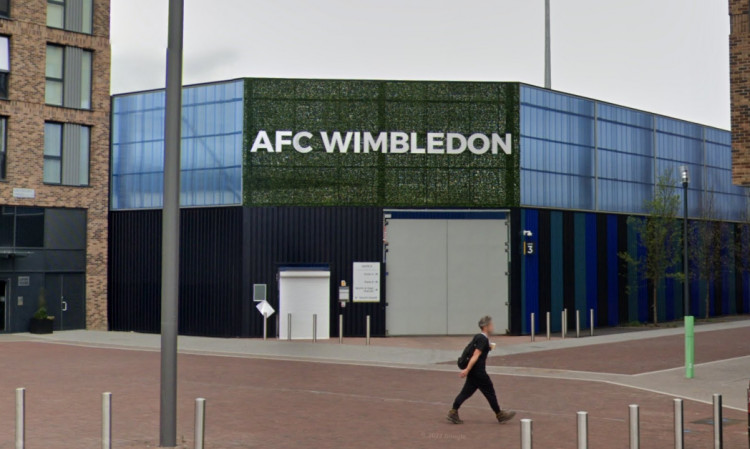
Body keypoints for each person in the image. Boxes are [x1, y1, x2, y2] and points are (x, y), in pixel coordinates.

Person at [447, 315, 516, 424]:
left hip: (474, 373)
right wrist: (467, 370)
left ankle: (453, 412)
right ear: (486, 326)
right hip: (479, 372)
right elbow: (476, 355)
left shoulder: (478, 337)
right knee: (490, 392)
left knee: (466, 393)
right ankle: (499, 414)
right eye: (491, 325)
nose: (492, 327)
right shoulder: (483, 339)